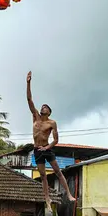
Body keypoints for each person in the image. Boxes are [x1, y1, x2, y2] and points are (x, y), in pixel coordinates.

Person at [26, 71, 76, 209]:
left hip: (46, 148)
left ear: (49, 112)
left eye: (46, 107)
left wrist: (47, 148)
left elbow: (56, 140)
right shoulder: (35, 117)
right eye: (42, 106)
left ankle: (69, 194)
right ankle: (47, 198)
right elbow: (29, 100)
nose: (43, 107)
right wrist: (28, 83)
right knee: (43, 176)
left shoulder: (52, 123)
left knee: (58, 172)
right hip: (37, 150)